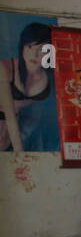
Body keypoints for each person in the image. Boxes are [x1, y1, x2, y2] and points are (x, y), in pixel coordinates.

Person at [0, 22, 54, 153]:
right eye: (29, 47)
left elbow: (37, 112)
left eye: (41, 49)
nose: (34, 55)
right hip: (8, 119)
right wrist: (19, 152)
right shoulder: (5, 68)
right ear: (22, 48)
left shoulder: (50, 77)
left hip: (14, 129)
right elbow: (9, 112)